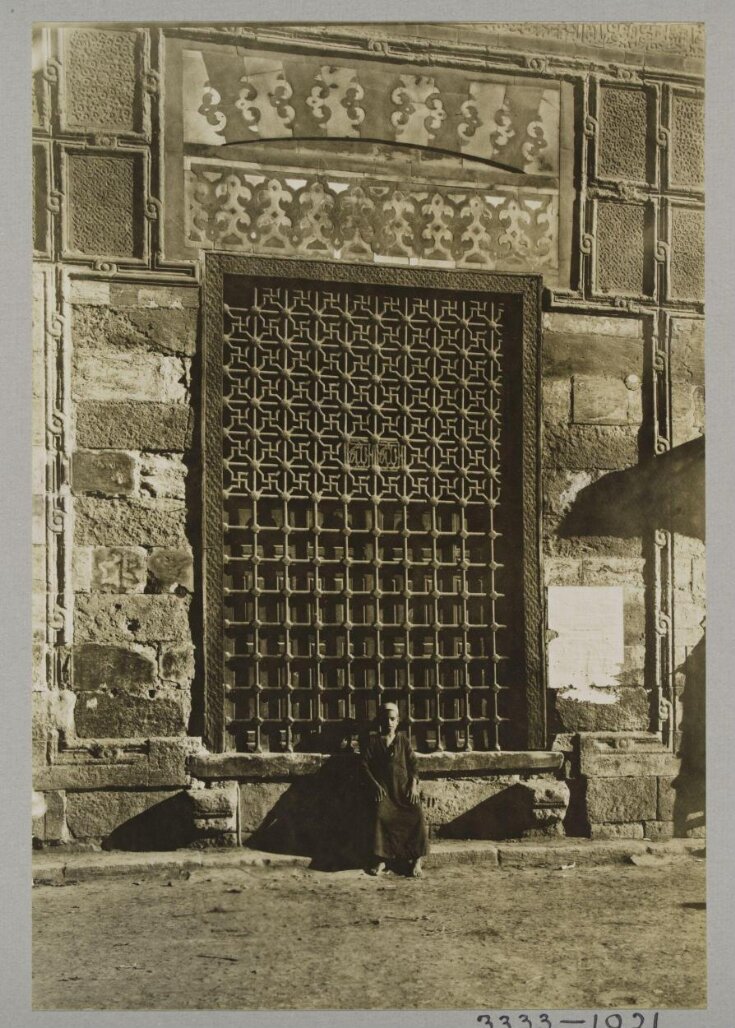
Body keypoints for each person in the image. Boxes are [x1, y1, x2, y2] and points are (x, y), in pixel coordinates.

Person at [360, 702, 429, 877]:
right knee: (380, 814)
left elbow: (414, 765)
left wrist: (413, 787)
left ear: (397, 721)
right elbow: (364, 765)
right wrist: (374, 785)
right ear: (380, 721)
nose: (389, 722)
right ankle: (382, 859)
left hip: (403, 792)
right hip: (385, 792)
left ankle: (416, 860)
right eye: (386, 719)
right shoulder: (374, 742)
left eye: (392, 719)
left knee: (416, 814)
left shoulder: (403, 741)